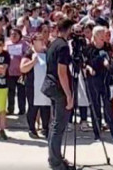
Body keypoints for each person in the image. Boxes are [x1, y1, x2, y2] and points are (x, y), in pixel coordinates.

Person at [46, 19, 75, 170]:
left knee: (55, 124)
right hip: (59, 88)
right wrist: (69, 94)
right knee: (58, 126)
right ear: (69, 29)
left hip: (52, 86)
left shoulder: (54, 43)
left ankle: (55, 156)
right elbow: (62, 72)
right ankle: (55, 162)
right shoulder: (63, 46)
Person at [21, 31, 51, 139]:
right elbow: (23, 68)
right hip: (32, 85)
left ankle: (45, 128)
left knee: (46, 107)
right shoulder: (29, 53)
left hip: (45, 84)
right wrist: (33, 62)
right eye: (39, 40)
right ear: (33, 42)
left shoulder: (47, 53)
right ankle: (32, 128)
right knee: (33, 107)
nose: (41, 41)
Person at [5, 28, 27, 115]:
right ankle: (10, 109)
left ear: (19, 36)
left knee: (21, 92)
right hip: (10, 72)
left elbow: (27, 54)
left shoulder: (24, 44)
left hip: (20, 72)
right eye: (12, 34)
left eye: (15, 34)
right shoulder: (7, 44)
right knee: (11, 92)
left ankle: (22, 110)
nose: (13, 36)